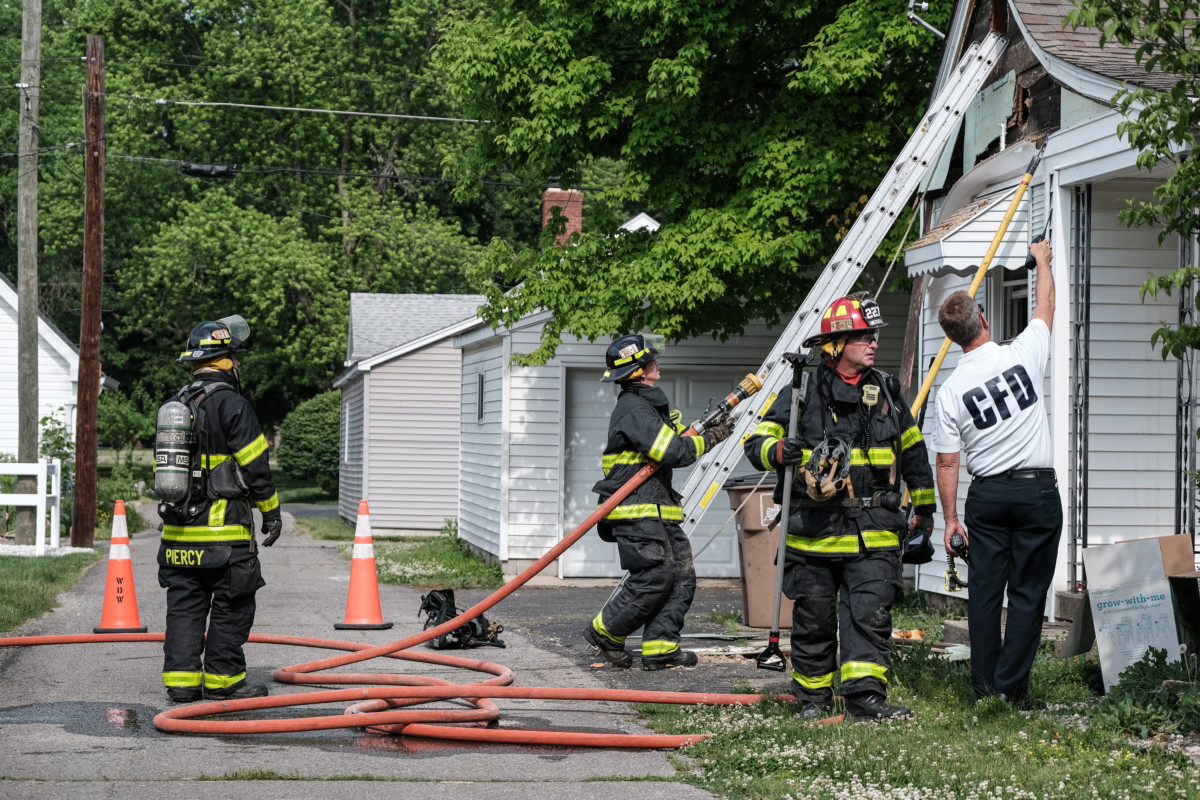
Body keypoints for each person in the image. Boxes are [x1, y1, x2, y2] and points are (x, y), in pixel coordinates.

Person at [744, 294, 936, 721]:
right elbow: (754, 443)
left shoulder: (886, 389)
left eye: (874, 335)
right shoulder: (802, 391)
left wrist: (924, 510)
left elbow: (914, 452)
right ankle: (812, 700)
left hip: (875, 530)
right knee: (813, 618)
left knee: (868, 615)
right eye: (863, 335)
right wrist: (779, 452)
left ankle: (865, 701)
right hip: (813, 530)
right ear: (834, 344)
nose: (872, 342)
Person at [931, 239, 1060, 705]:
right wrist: (1042, 261)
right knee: (1027, 593)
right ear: (984, 319)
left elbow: (948, 461)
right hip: (1035, 493)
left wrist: (950, 520)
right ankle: (1011, 691)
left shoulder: (950, 391)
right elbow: (1044, 304)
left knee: (984, 594)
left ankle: (986, 689)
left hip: (985, 498)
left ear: (953, 337)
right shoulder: (1022, 353)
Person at [584, 333, 735, 670]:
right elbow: (672, 452)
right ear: (639, 371)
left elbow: (670, 444)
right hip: (635, 511)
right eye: (651, 359)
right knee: (654, 576)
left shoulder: (647, 405)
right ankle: (607, 632)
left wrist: (700, 432)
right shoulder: (634, 408)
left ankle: (661, 649)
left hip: (657, 510)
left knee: (681, 576)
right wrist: (712, 437)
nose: (657, 362)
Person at [155, 315, 282, 703]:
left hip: (177, 539)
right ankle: (224, 682)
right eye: (234, 357)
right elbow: (256, 466)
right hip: (224, 540)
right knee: (232, 605)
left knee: (184, 610)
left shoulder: (177, 405)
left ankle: (181, 683)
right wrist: (271, 512)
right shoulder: (232, 404)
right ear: (225, 360)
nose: (238, 364)